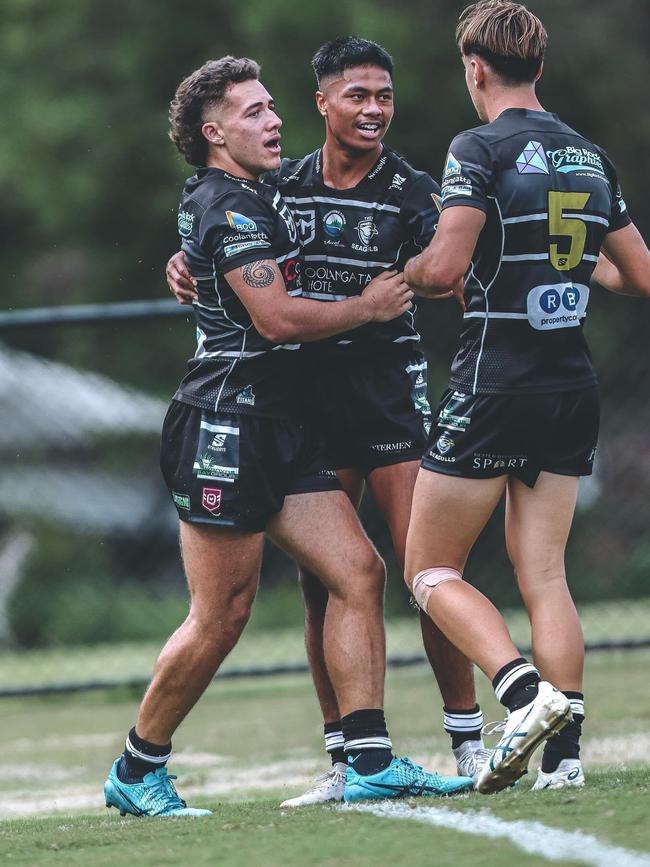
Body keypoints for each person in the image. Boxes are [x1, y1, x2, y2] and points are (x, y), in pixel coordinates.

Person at [104, 56, 472, 817]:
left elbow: (229, 266)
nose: (274, 121)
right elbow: (275, 318)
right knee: (221, 616)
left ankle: (368, 758)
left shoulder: (252, 194)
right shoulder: (227, 204)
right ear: (214, 134)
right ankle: (138, 768)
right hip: (225, 426)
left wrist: (189, 262)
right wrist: (370, 307)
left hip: (281, 424)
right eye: (253, 113)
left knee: (359, 574)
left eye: (273, 108)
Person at [403, 0, 650, 794]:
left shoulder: (477, 146)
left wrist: (400, 273)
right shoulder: (586, 153)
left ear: (475, 68)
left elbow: (442, 270)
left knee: (430, 566)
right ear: (537, 67)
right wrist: (579, 272)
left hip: (493, 381)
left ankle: (519, 691)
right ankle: (567, 756)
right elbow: (638, 273)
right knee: (545, 571)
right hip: (569, 384)